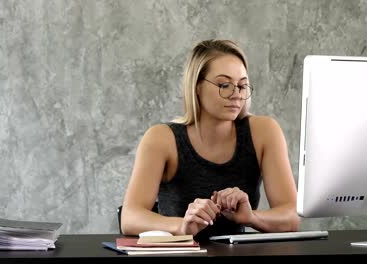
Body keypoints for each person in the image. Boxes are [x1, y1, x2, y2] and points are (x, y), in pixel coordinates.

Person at [121, 39, 300, 239]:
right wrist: (183, 227)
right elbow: (130, 218)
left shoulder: (264, 132)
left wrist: (252, 218)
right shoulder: (161, 139)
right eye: (224, 85)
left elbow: (292, 217)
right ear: (196, 86)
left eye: (242, 86)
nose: (236, 95)